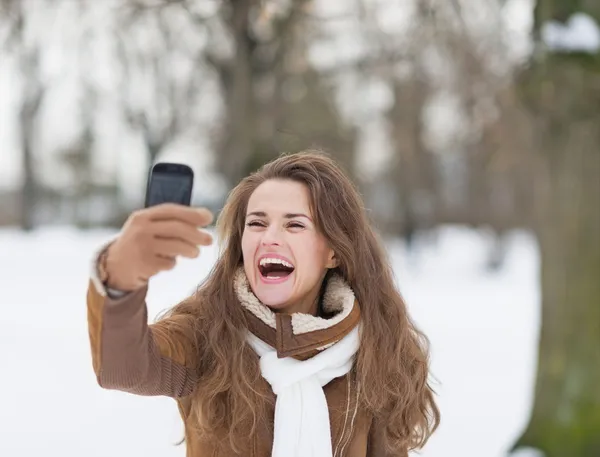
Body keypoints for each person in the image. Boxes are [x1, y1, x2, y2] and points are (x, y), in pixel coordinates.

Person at [86, 150, 440, 457]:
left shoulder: (378, 345)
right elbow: (123, 368)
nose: (270, 238)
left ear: (333, 250)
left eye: (294, 225)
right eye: (257, 223)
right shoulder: (205, 331)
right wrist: (118, 279)